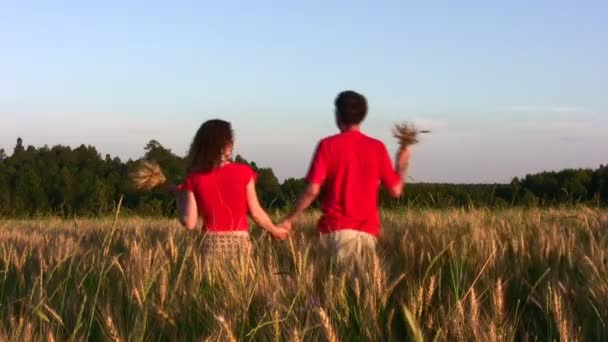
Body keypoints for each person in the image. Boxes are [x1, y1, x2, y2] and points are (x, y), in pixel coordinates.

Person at [279, 90, 412, 266]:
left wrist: (290, 218)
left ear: (338, 115)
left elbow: (312, 190)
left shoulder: (327, 145)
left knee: (328, 290)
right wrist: (401, 164)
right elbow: (396, 191)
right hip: (366, 233)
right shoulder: (377, 148)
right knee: (359, 291)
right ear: (363, 115)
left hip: (333, 231)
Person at [171, 119, 289, 258]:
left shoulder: (194, 178)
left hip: (210, 245)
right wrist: (275, 231)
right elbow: (256, 213)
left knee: (210, 281)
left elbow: (190, 224)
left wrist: (179, 197)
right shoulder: (244, 172)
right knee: (242, 280)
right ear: (226, 145)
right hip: (240, 245)